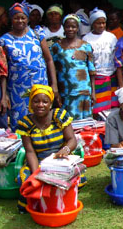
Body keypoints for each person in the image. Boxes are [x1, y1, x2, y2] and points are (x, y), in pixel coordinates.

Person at [16, 84, 80, 212]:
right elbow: (30, 151)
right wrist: (36, 174)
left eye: (45, 102)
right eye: (36, 101)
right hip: (38, 161)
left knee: (71, 178)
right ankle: (34, 203)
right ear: (31, 104)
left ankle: (57, 201)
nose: (40, 105)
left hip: (60, 160)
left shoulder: (59, 116)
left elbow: (72, 140)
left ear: (50, 104)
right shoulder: (26, 124)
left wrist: (65, 150)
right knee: (27, 179)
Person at [0, 1, 59, 128]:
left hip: (40, 86)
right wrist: (4, 94)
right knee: (20, 124)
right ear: (11, 19)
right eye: (16, 18)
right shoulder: (3, 41)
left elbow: (49, 60)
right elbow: (1, 70)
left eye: (23, 17)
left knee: (42, 120)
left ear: (27, 19)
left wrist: (54, 84)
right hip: (16, 91)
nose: (20, 21)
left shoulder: (37, 34)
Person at [51, 14, 96, 120]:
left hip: (84, 90)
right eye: (67, 26)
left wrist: (93, 92)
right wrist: (55, 88)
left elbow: (91, 70)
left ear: (77, 28)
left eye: (73, 26)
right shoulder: (56, 46)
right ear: (63, 27)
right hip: (66, 91)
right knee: (67, 120)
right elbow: (52, 68)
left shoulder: (86, 46)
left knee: (85, 122)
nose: (70, 29)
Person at [83, 7, 118, 116]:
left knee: (113, 109)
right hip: (97, 78)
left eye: (103, 23)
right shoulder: (86, 39)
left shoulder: (111, 37)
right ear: (93, 23)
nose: (101, 25)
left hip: (112, 77)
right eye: (98, 23)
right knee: (99, 110)